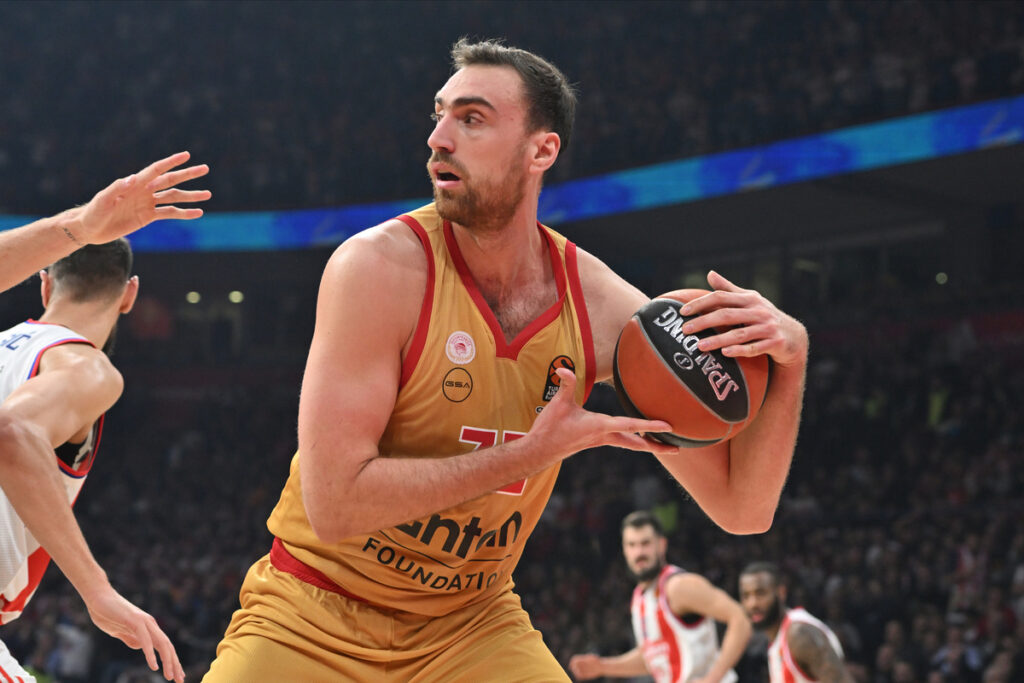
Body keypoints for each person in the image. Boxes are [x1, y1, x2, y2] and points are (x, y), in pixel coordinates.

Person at [204, 38, 809, 681]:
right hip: (313, 613)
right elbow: (333, 502)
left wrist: (790, 357)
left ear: (541, 150)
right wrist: (530, 453)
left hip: (470, 625)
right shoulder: (375, 268)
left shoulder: (601, 308)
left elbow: (744, 509)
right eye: (438, 115)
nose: (438, 138)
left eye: (471, 119)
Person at [0, 239, 184, 683]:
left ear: (45, 286)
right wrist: (97, 589)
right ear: (129, 295)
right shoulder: (86, 367)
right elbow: (13, 431)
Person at [569, 511, 751, 682]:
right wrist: (603, 667)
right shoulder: (640, 598)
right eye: (632, 545)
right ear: (624, 550)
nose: (639, 552)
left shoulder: (678, 586)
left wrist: (713, 678)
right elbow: (652, 657)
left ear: (662, 545)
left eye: (645, 543)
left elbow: (740, 618)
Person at [0, 151, 210, 293]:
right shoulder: (79, 359)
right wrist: (78, 228)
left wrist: (79, 227)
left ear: (46, 288)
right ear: (129, 295)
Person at [738, 562, 852, 683]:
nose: (753, 604)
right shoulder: (777, 640)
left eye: (760, 593)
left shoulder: (800, 634)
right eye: (746, 596)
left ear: (781, 593)